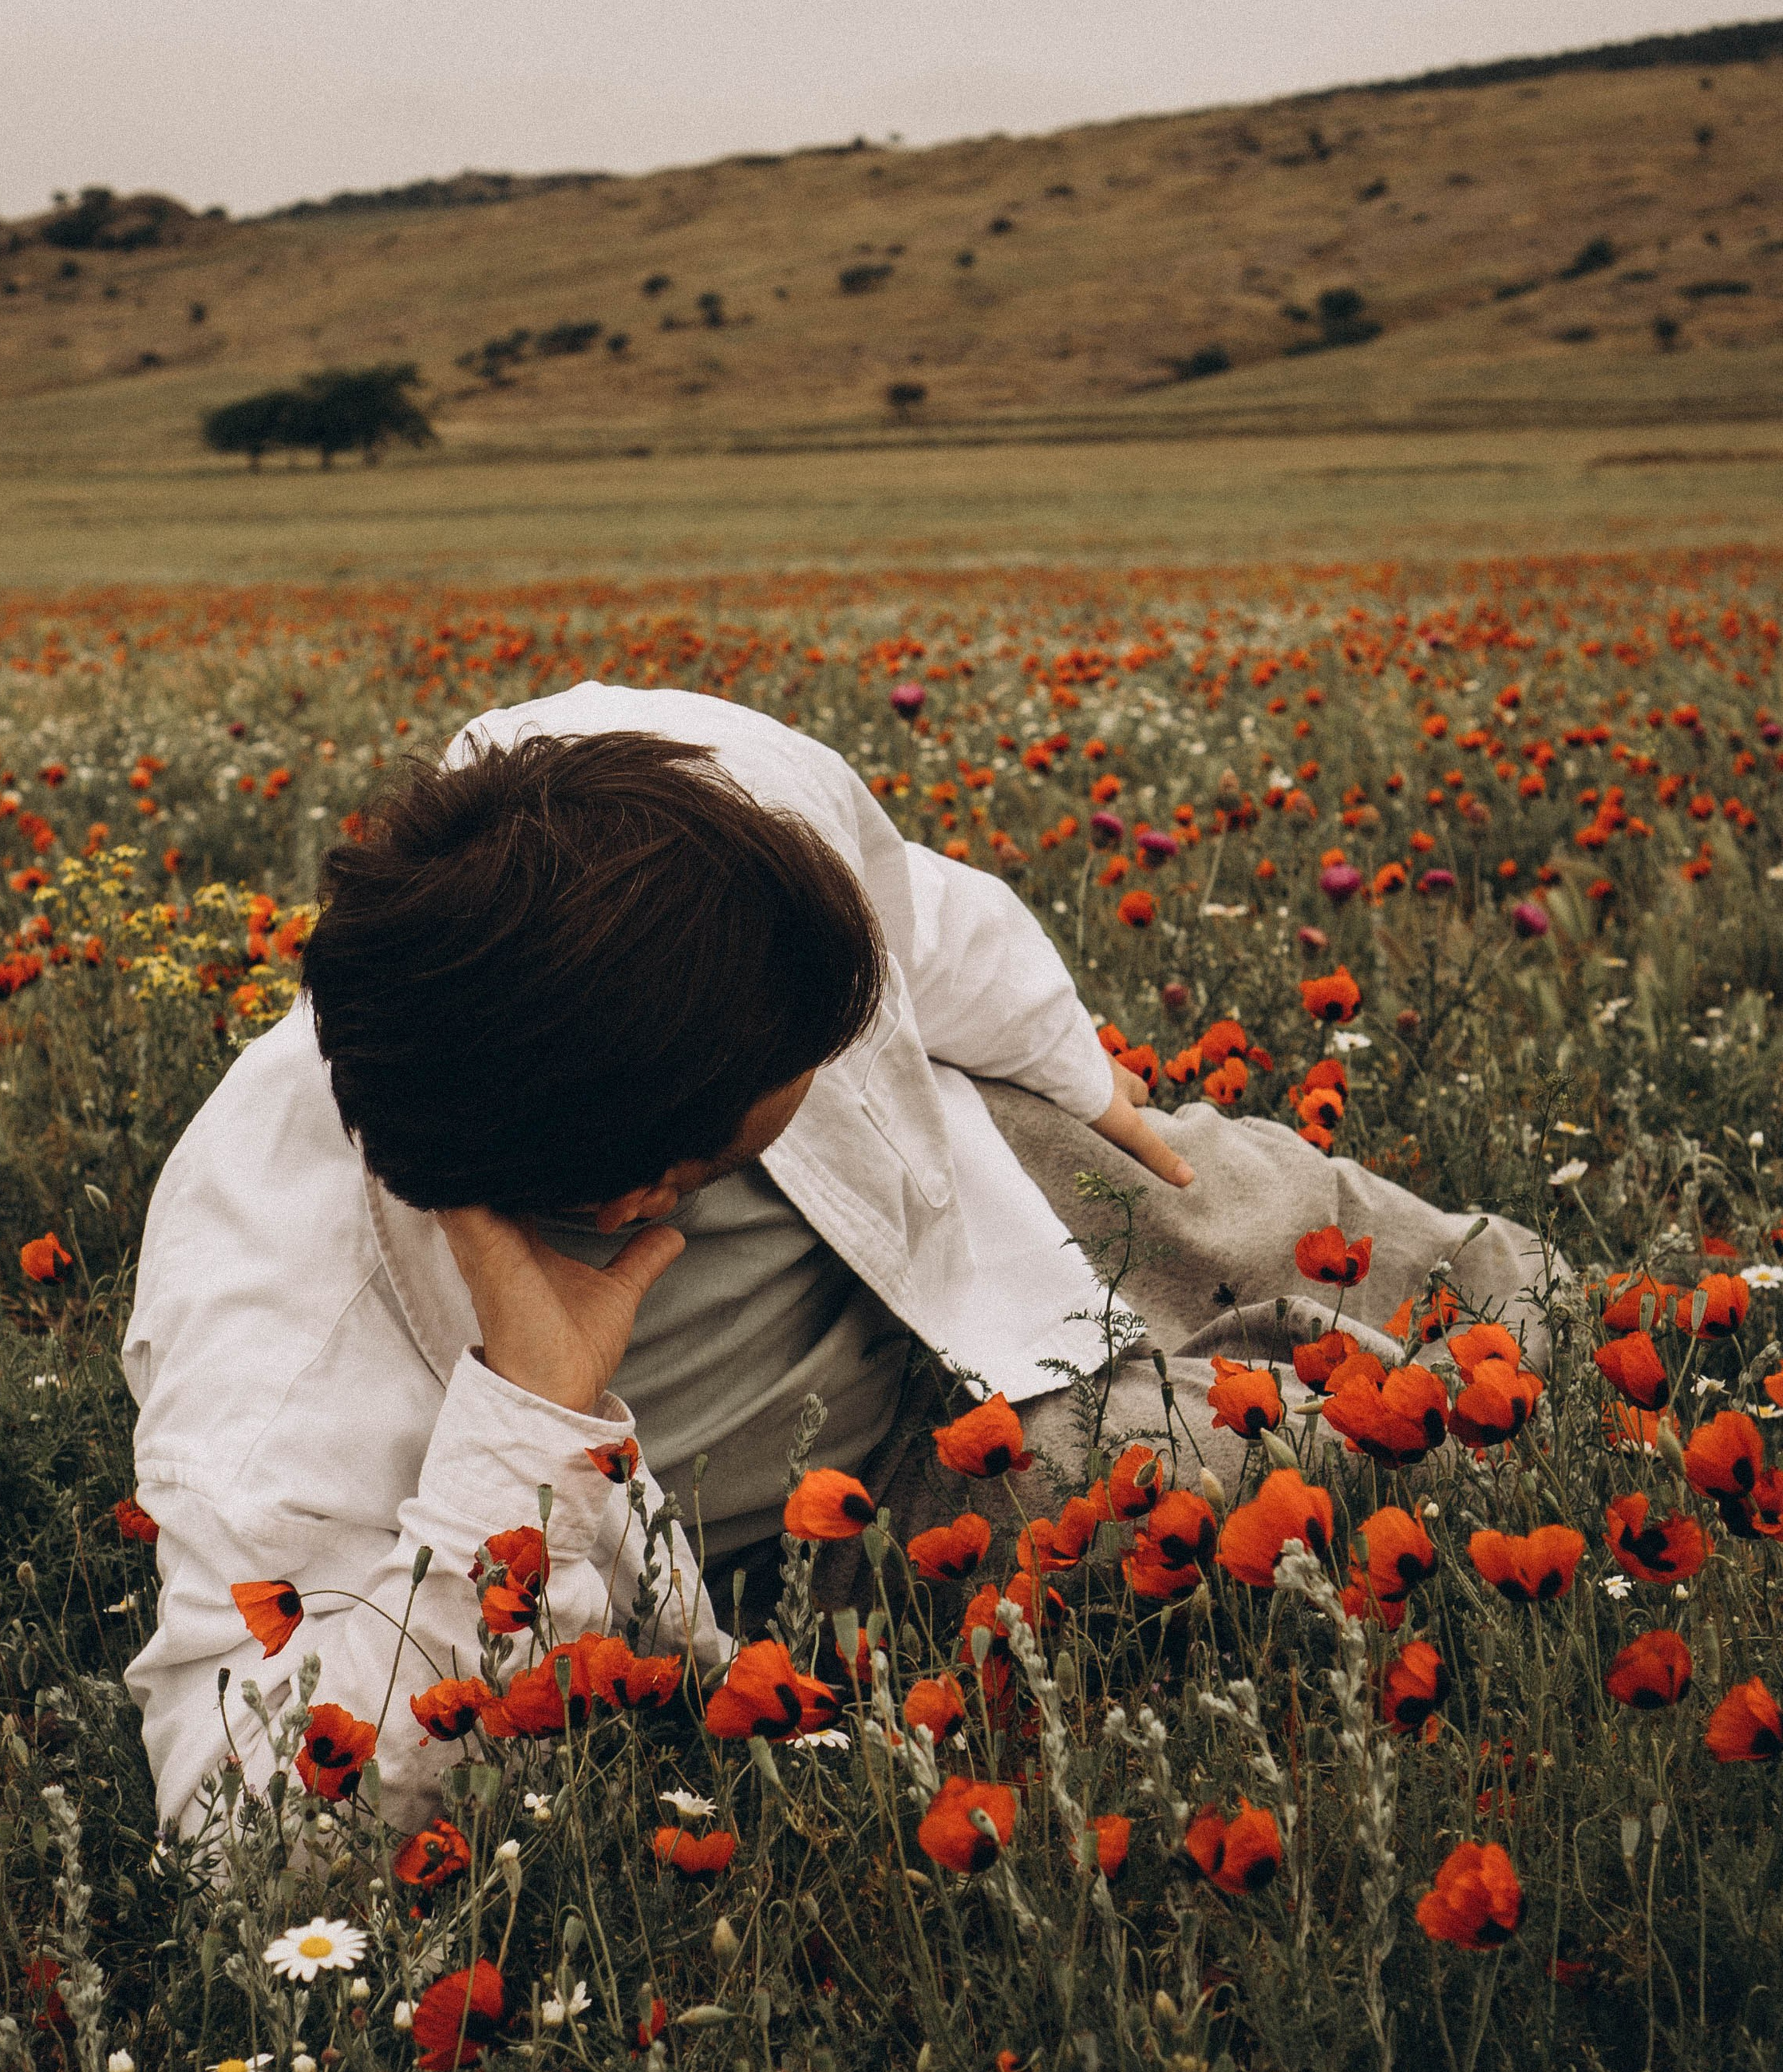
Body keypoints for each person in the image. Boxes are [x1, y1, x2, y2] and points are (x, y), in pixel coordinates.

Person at [122, 684, 1553, 1841]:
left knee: (1373, 1240)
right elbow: (237, 1819)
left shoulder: (689, 801)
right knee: (1310, 1457)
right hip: (861, 1510)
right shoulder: (274, 1328)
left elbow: (913, 909)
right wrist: (531, 1416)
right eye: (757, 1114)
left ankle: (1647, 1322)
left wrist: (1078, 1075)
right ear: (639, 1192)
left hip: (949, 1219)